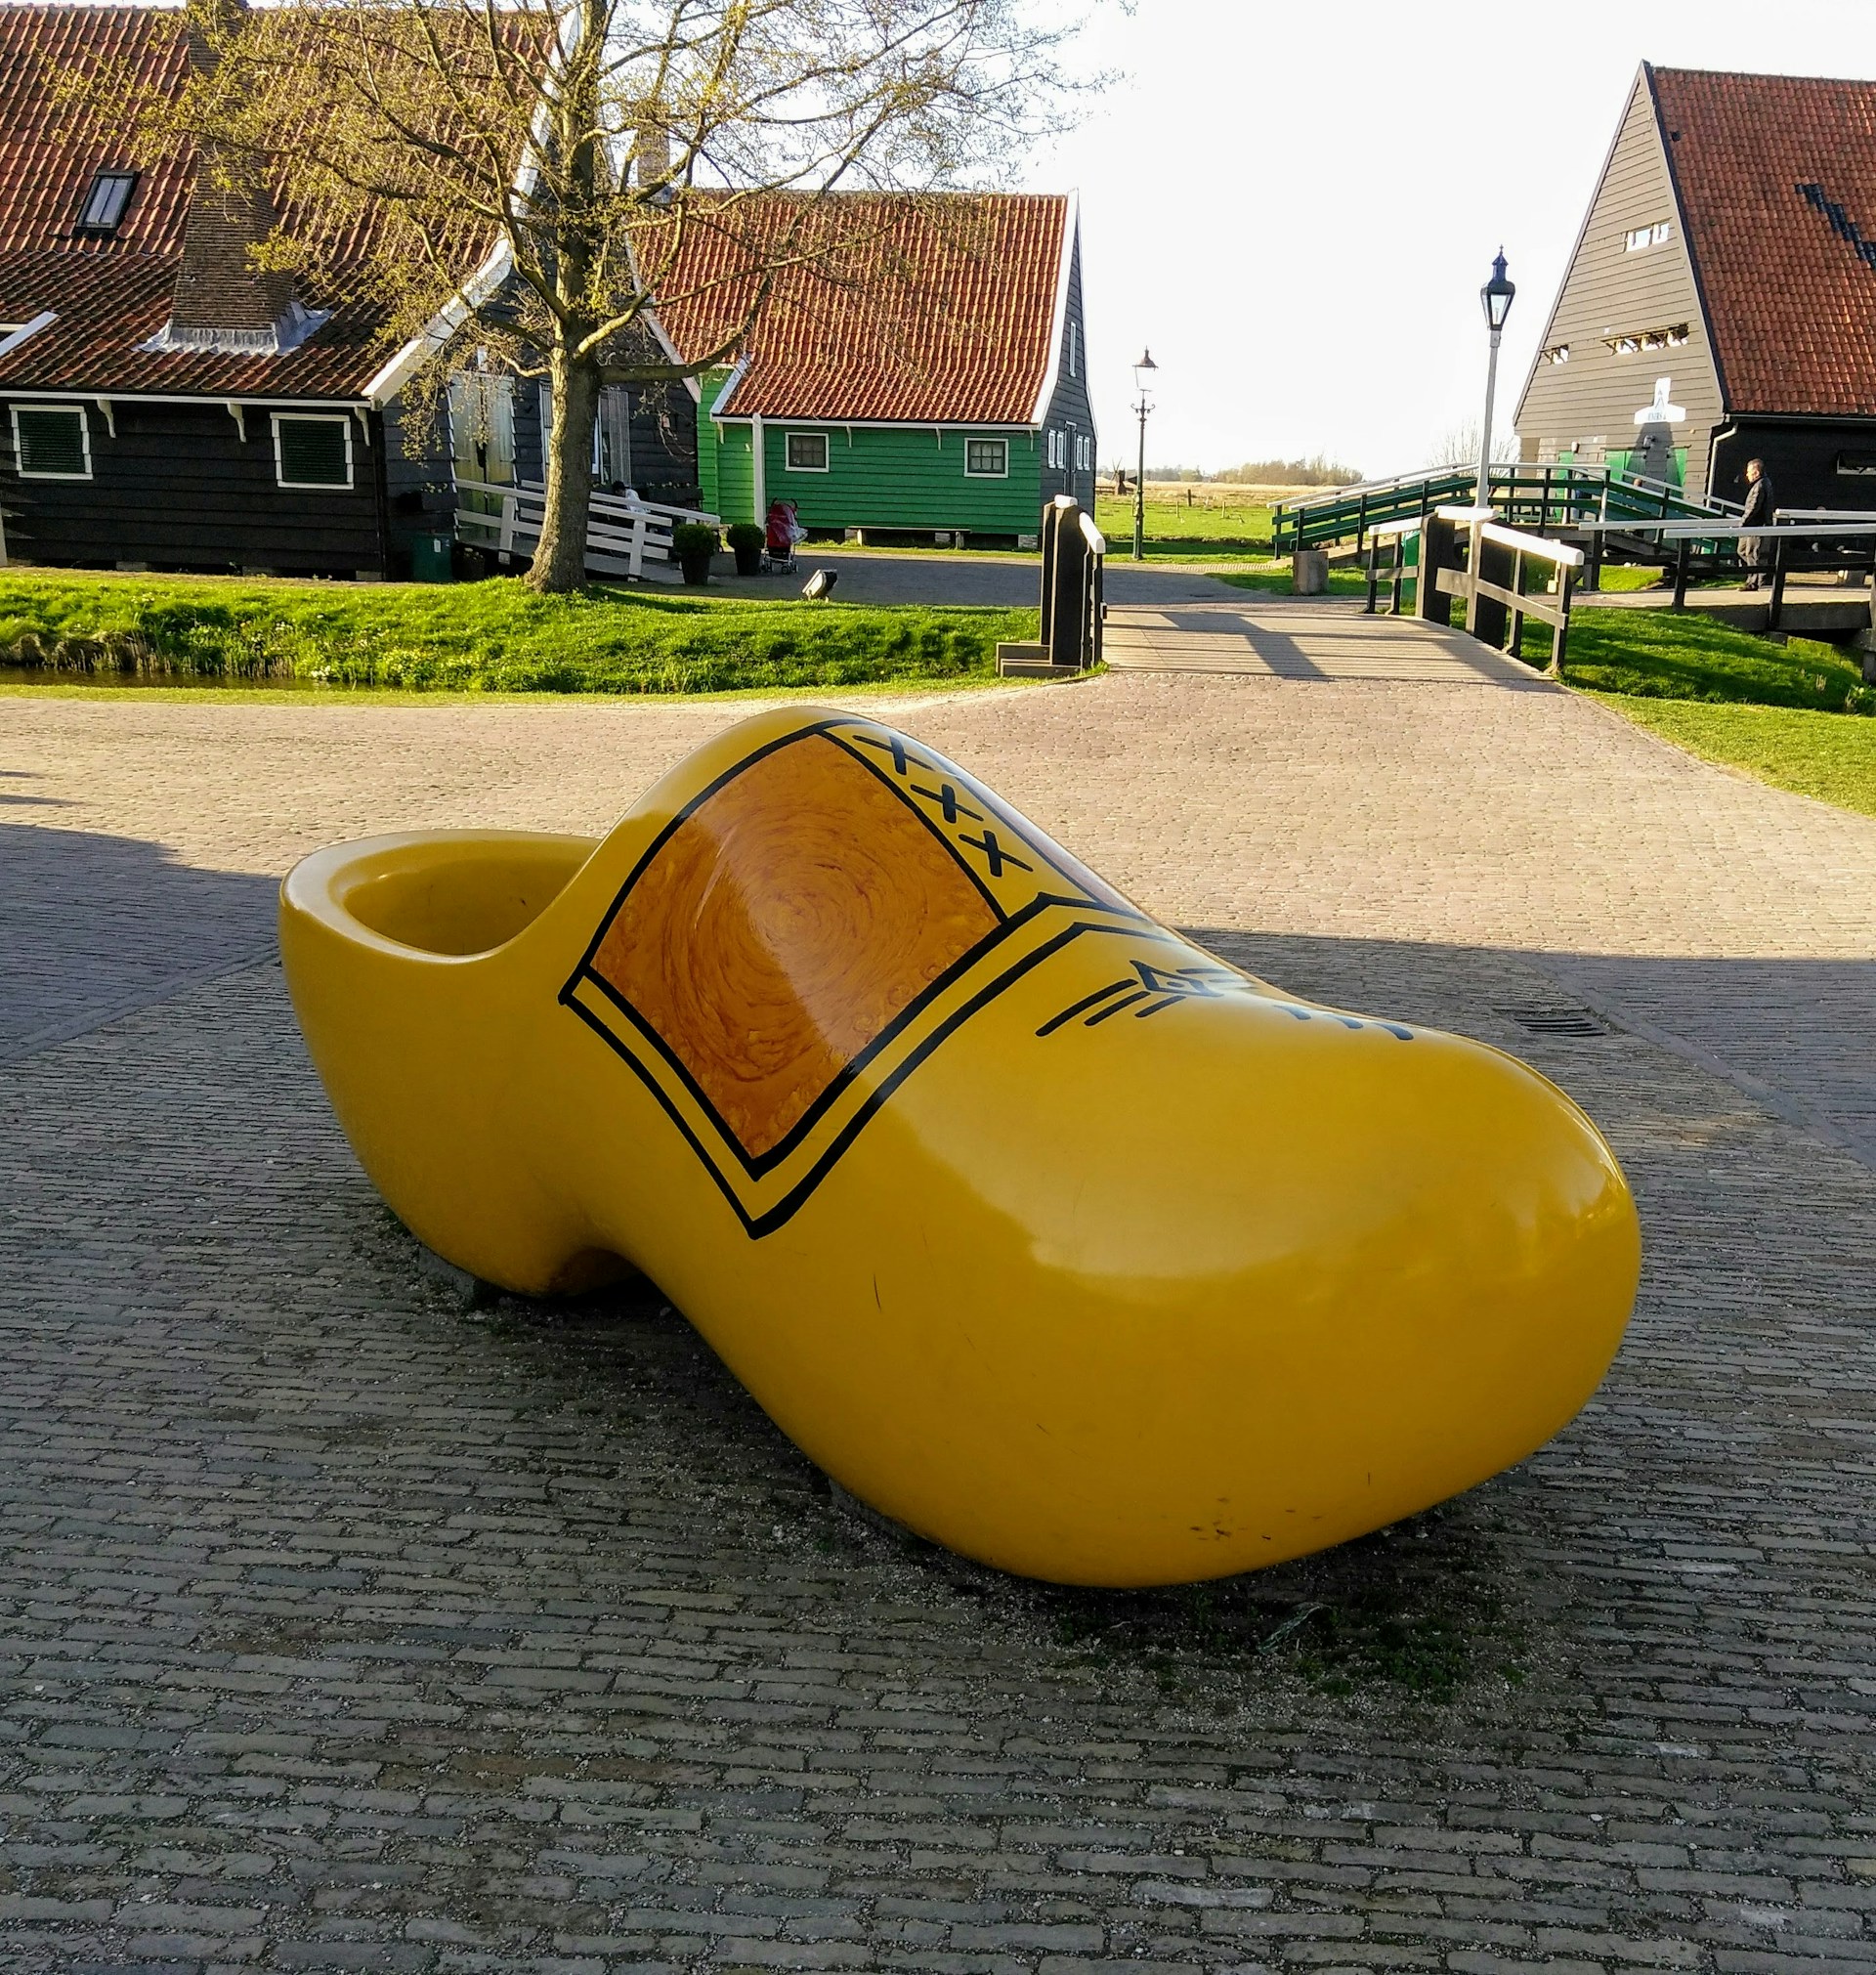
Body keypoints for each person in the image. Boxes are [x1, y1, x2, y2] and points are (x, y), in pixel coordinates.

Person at [1740, 458, 1774, 588]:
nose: (1746, 475)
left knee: (1752, 553)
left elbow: (1754, 507)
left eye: (1749, 472)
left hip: (1757, 524)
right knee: (1743, 550)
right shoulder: (1761, 483)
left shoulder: (1760, 485)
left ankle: (1754, 582)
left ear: (1756, 472)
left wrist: (1743, 522)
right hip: (1754, 524)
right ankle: (1757, 577)